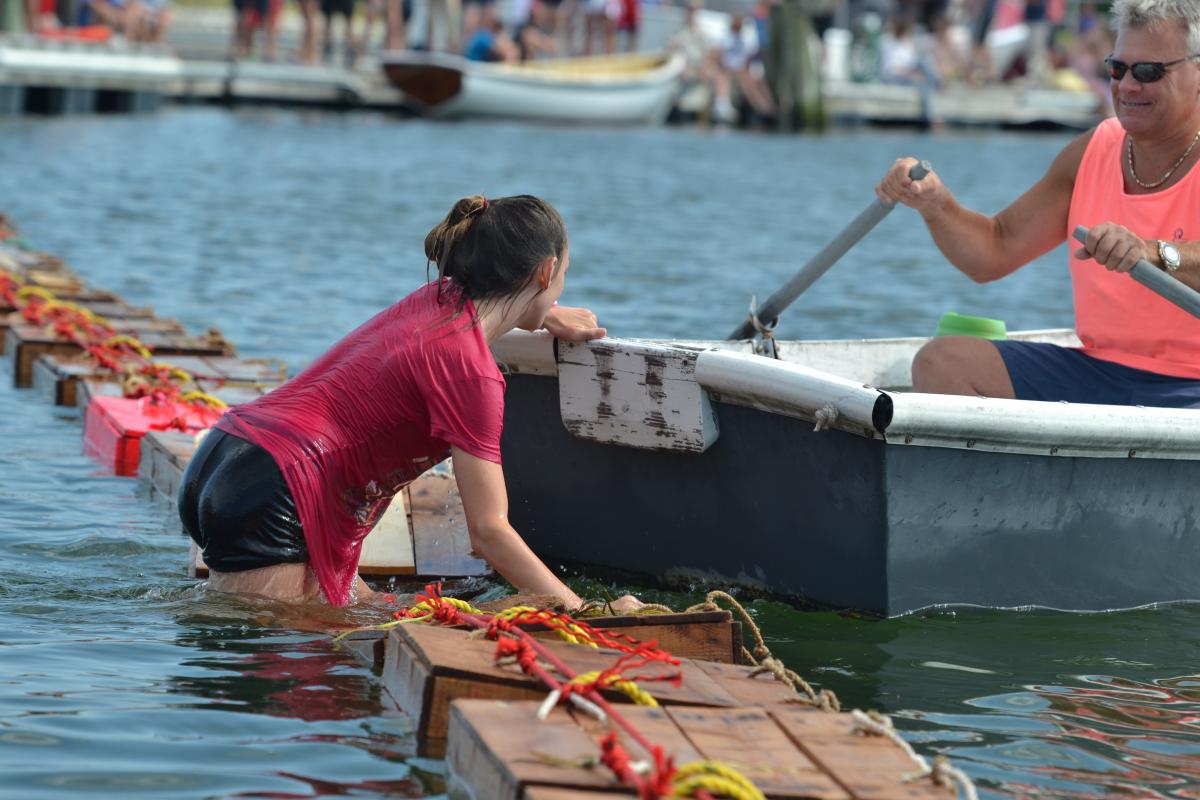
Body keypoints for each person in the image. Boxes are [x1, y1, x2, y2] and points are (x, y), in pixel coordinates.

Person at [179, 195, 642, 613]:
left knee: (364, 609)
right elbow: (489, 533)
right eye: (562, 277)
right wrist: (582, 611)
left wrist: (545, 310)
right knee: (307, 649)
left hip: (232, 454)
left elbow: (493, 304)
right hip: (279, 488)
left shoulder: (438, 298)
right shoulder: (474, 376)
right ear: (546, 271)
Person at [875, 0, 1200, 409]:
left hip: (1193, 384)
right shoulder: (1090, 153)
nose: (1128, 86)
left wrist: (1153, 253)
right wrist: (935, 204)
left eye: (1149, 71)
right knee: (943, 363)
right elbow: (993, 251)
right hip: (1097, 372)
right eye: (1117, 69)